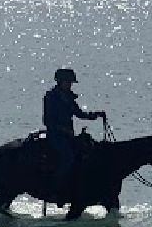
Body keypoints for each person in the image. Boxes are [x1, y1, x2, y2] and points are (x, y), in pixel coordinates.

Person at [42, 68, 105, 201]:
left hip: (68, 136)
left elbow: (79, 113)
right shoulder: (51, 97)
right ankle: (56, 188)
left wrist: (94, 115)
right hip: (56, 136)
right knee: (67, 157)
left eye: (71, 82)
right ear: (60, 82)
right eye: (68, 82)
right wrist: (63, 130)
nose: (70, 84)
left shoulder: (68, 97)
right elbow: (48, 121)